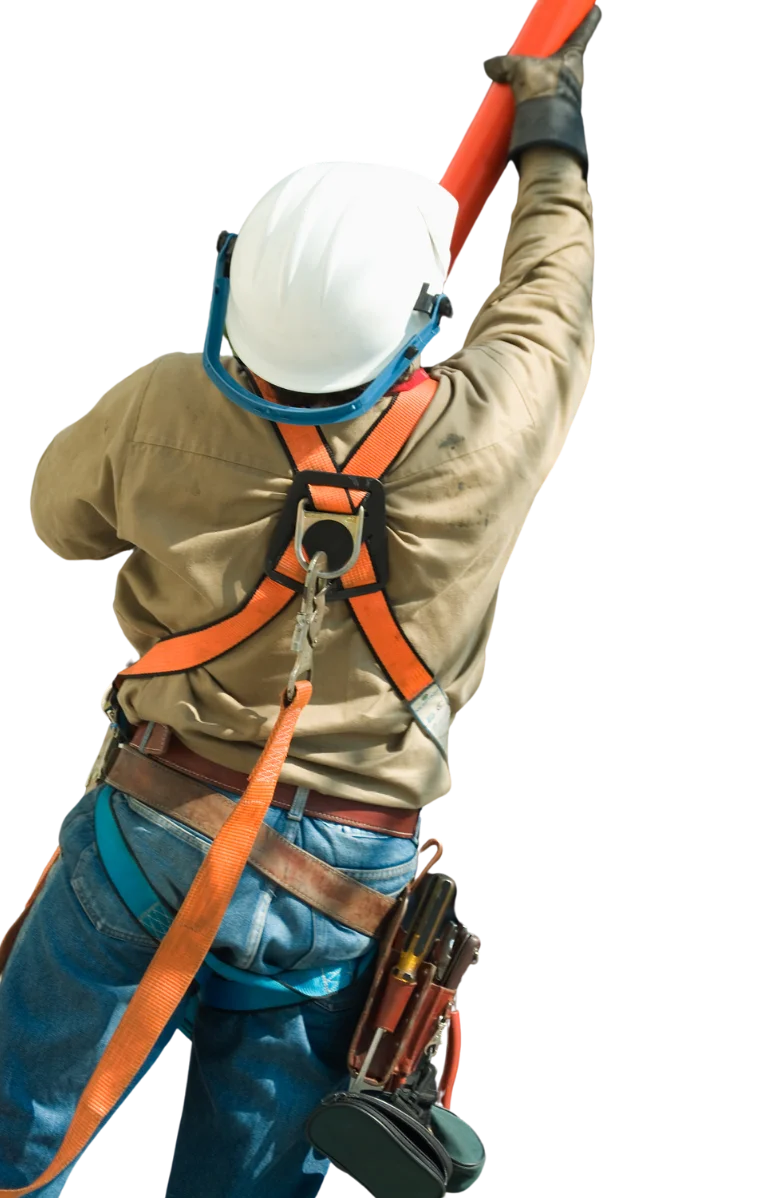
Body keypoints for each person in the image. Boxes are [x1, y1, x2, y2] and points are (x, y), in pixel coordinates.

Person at [6, 8, 600, 1196]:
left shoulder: (162, 403)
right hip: (342, 884)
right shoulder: (485, 434)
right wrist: (550, 130)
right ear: (418, 317)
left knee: (14, 1137)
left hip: (154, 818)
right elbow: (552, 287)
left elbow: (58, 526)